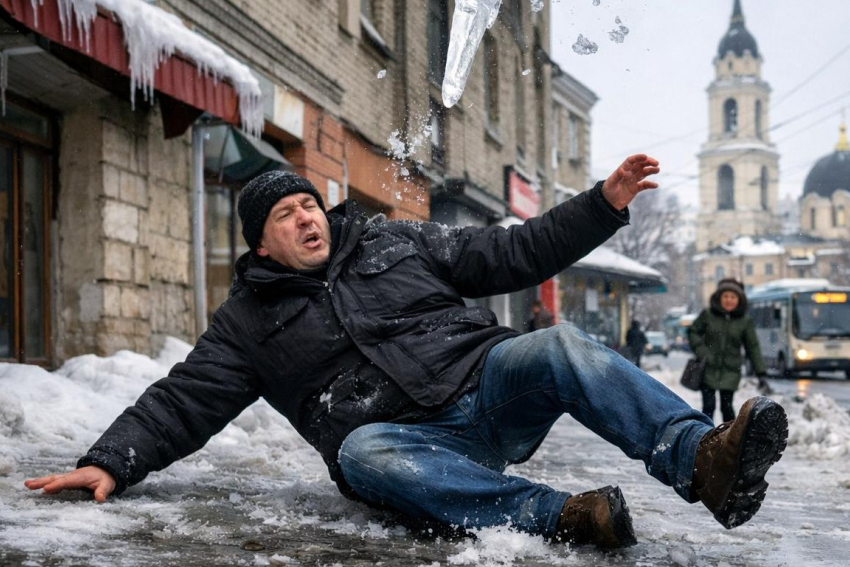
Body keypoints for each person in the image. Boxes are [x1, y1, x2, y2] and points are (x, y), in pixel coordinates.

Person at [25, 156, 788, 550]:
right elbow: (182, 400)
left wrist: (602, 204)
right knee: (361, 454)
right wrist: (112, 458)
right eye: (286, 216)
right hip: (409, 442)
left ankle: (700, 459)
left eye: (308, 205)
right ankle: (561, 518)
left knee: (559, 344)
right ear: (262, 241)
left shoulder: (393, 238)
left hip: (486, 387)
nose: (306, 218)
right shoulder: (245, 325)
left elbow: (513, 251)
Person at [688, 278, 770, 423]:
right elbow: (693, 331)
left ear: (739, 300)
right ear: (719, 298)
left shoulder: (744, 321)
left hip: (730, 371)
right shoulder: (708, 315)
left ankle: (729, 442)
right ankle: (705, 439)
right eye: (725, 296)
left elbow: (753, 346)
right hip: (708, 368)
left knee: (727, 408)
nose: (729, 300)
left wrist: (760, 373)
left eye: (733, 297)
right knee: (708, 407)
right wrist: (701, 350)